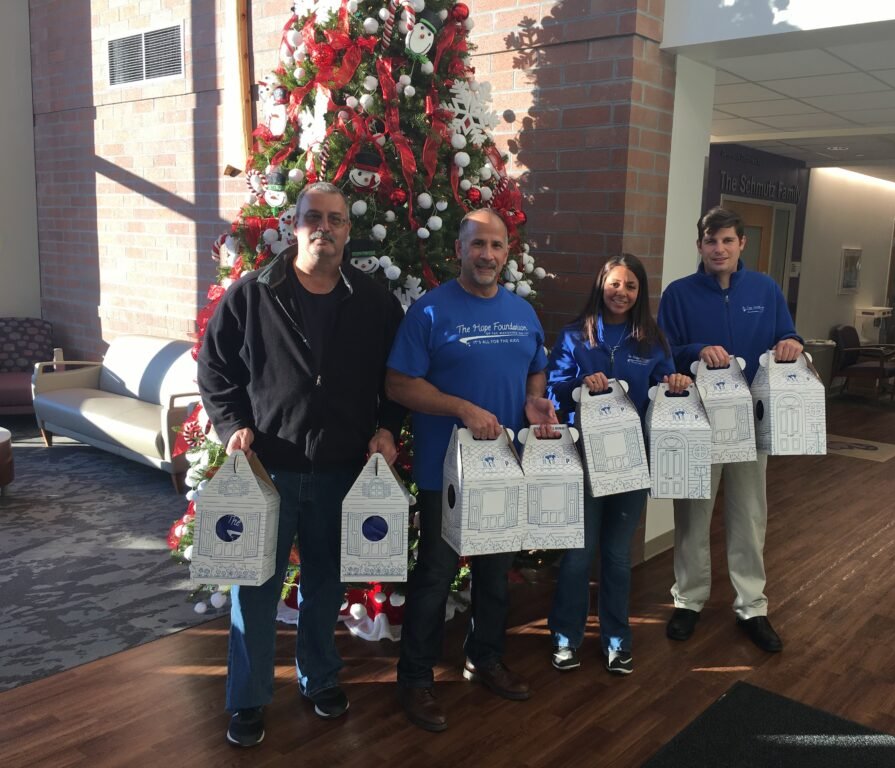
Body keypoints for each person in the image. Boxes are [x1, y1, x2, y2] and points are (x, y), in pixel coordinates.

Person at [198, 182, 405, 747]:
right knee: (255, 588)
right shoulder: (251, 294)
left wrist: (388, 426)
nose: (324, 227)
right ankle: (246, 699)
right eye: (313, 217)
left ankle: (319, 679)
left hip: (343, 468)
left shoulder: (374, 301)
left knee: (325, 584)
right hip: (269, 470)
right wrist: (231, 424)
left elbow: (397, 378)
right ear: (294, 225)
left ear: (347, 230)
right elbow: (214, 370)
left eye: (335, 219)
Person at [385, 208, 558, 733]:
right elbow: (398, 385)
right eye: (477, 244)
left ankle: (484, 657)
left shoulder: (523, 312)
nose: (487, 255)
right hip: (447, 474)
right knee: (436, 575)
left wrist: (534, 404)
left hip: (503, 468)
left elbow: (536, 369)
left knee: (493, 574)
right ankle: (415, 678)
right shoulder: (430, 312)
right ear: (458, 250)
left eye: (497, 246)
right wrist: (461, 408)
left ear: (508, 253)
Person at [657, 206, 803, 653]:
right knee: (692, 515)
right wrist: (698, 350)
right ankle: (689, 599)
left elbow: (788, 335)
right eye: (710, 241)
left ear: (741, 244)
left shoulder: (765, 288)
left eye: (727, 241)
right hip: (697, 422)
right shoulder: (678, 294)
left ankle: (752, 606)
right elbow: (666, 353)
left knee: (748, 513)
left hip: (749, 422)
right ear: (699, 245)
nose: (718, 249)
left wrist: (792, 342)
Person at [546, 254, 691, 675]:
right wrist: (578, 386)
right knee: (578, 555)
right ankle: (565, 637)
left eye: (630, 286)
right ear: (601, 284)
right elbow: (552, 394)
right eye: (615, 284)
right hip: (585, 461)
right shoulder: (576, 336)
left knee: (616, 555)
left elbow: (666, 389)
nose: (621, 293)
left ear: (640, 293)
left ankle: (616, 639)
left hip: (632, 464)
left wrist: (677, 383)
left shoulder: (652, 341)